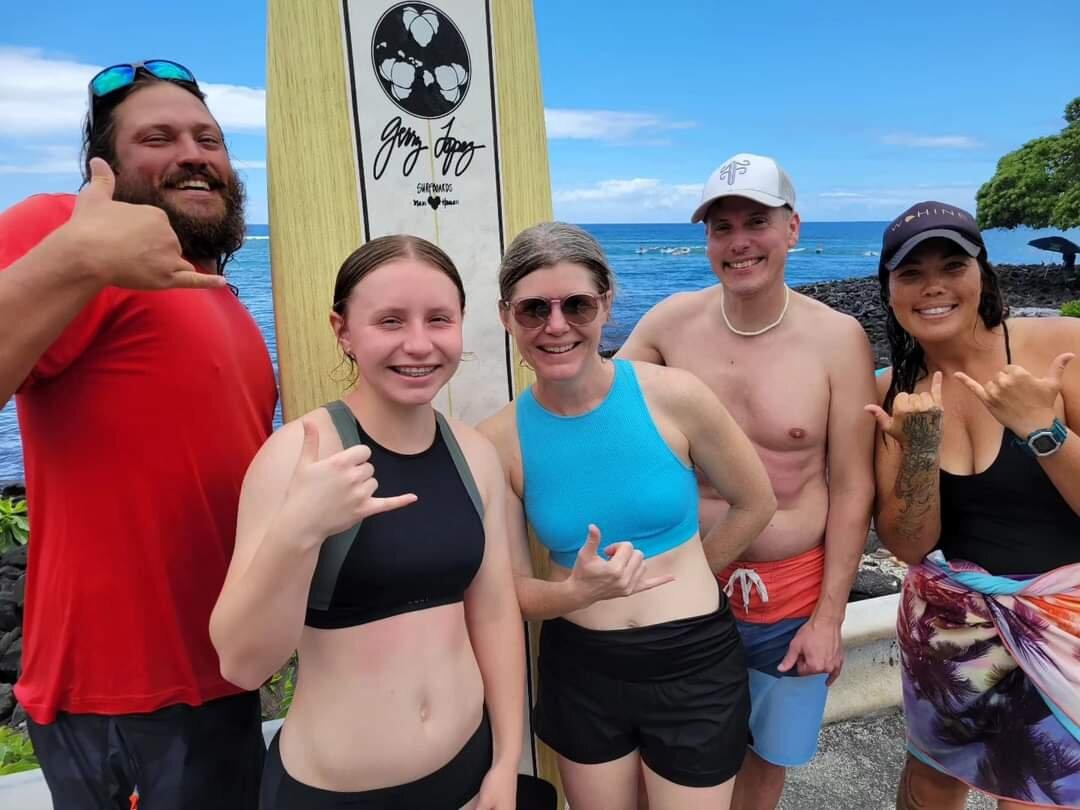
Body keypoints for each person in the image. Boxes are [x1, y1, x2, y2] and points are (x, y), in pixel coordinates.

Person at [0, 61, 277, 809]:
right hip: (120, 698)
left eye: (209, 139)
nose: (193, 154)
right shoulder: (65, 229)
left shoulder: (216, 294)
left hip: (223, 673)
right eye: (157, 138)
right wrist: (78, 254)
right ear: (105, 166)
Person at [210, 235, 524, 810]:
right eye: (389, 321)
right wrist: (299, 530)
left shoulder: (475, 455)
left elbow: (496, 614)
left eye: (439, 319)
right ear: (343, 331)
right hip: (337, 792)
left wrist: (506, 762)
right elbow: (242, 665)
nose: (419, 344)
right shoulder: (298, 457)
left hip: (471, 773)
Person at [479, 222, 776, 810]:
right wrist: (578, 593)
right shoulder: (499, 441)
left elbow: (755, 501)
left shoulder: (675, 395)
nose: (556, 326)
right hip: (581, 669)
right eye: (534, 309)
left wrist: (692, 571)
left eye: (577, 305)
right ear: (506, 316)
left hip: (695, 664)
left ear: (607, 303)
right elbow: (508, 590)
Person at [618, 153, 877, 809]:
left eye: (756, 222)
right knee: (666, 756)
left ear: (792, 228)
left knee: (765, 762)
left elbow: (853, 487)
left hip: (789, 601)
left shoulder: (838, 339)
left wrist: (829, 618)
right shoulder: (669, 323)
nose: (739, 242)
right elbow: (593, 405)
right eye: (722, 227)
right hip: (684, 588)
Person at [865, 201, 1080, 809]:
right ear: (890, 291)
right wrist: (918, 450)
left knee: (1041, 794)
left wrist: (1042, 431)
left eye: (952, 266)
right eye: (911, 273)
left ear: (982, 273)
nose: (933, 286)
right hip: (947, 627)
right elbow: (907, 544)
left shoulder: (1061, 347)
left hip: (1063, 624)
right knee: (931, 782)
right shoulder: (892, 390)